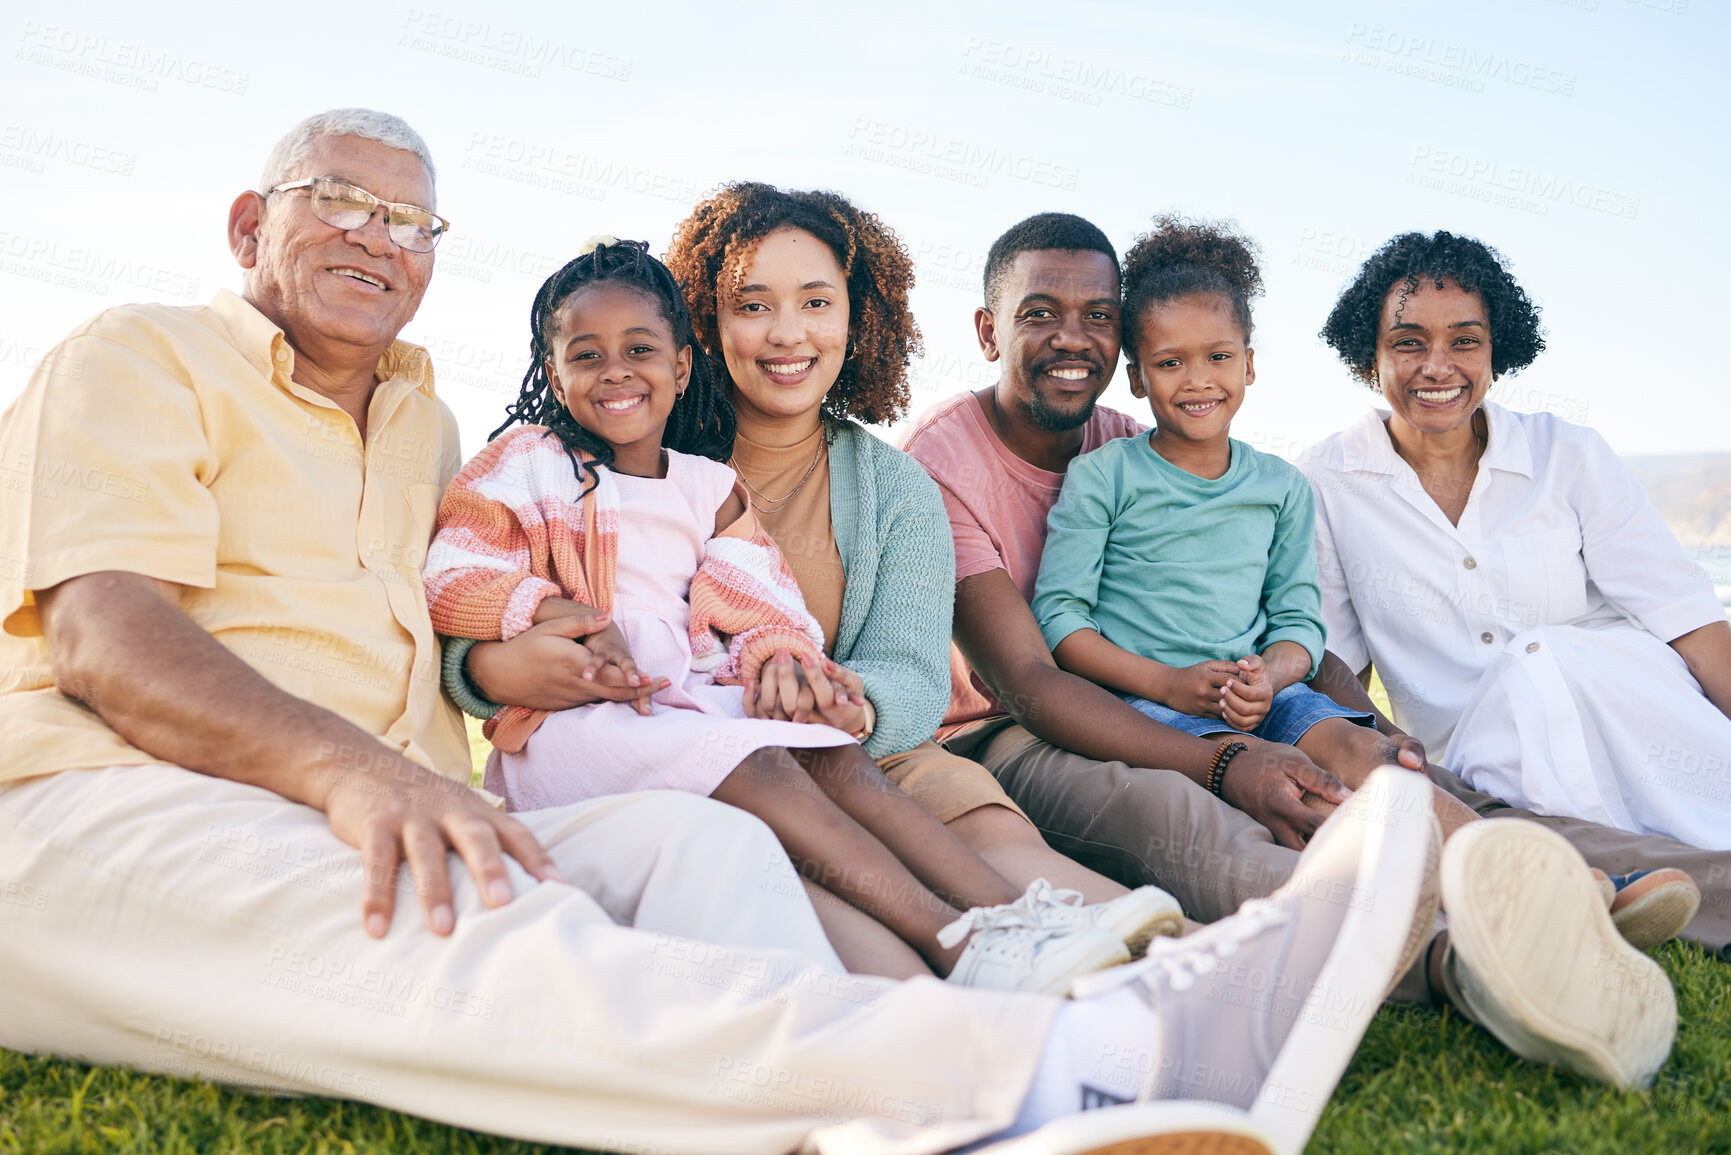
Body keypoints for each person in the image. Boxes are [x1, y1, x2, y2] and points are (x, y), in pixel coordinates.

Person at [0, 108, 1458, 1155]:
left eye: (409, 221)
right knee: (502, 952)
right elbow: (114, 640)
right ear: (251, 223)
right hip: (122, 794)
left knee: (715, 849)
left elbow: (749, 611)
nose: (377, 241)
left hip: (731, 753)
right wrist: (415, 729)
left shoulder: (422, 417)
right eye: (341, 202)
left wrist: (777, 673)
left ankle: (912, 1082)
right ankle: (1051, 1058)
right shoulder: (147, 353)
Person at [901, 209, 1688, 1085]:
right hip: (1016, 727)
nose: (1071, 337)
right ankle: (1458, 956)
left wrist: (1347, 719)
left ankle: (1571, 887)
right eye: (1039, 312)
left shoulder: (1134, 441)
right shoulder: (953, 464)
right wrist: (1230, 757)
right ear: (987, 329)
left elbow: (1280, 619)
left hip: (1205, 695)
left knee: (1392, 769)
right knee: (1206, 819)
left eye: (1096, 314)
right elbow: (1036, 679)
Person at [449, 183, 1184, 981]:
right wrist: (523, 635)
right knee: (787, 829)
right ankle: (967, 963)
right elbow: (462, 585)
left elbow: (808, 622)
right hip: (652, 729)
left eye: (815, 302)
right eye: (753, 304)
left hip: (839, 737)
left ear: (856, 316)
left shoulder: (862, 486)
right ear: (704, 325)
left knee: (938, 809)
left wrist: (823, 683)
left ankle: (1070, 937)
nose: (787, 332)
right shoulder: (576, 452)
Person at [1030, 216, 1478, 838]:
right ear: (1137, 378)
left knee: (1366, 753)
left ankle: (1513, 864)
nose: (1198, 380)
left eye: (1218, 356)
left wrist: (1269, 676)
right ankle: (1421, 885)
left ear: (1249, 364)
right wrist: (1167, 682)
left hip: (1264, 698)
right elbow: (1060, 619)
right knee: (1300, 790)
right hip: (1147, 709)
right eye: (1169, 362)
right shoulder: (1103, 477)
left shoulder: (1282, 487)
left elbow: (1300, 625)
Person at [1299, 230, 1731, 861]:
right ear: (1370, 358)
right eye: (1408, 342)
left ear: (1497, 352)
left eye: (1465, 341)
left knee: (1543, 654)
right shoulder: (1325, 482)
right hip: (1488, 767)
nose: (1438, 366)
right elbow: (1339, 667)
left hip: (1635, 723)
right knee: (1529, 679)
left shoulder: (1569, 454)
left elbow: (1687, 620)